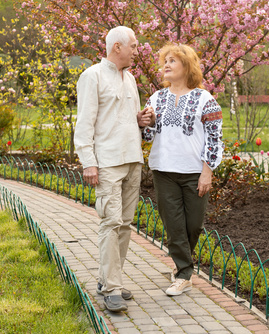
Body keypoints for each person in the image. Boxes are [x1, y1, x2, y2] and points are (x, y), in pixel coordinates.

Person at [74, 26, 154, 312]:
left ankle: (110, 279)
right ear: (116, 47)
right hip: (106, 162)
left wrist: (140, 120)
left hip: (133, 159)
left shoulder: (130, 78)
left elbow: (122, 118)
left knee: (125, 224)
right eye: (133, 45)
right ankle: (111, 289)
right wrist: (88, 162)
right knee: (110, 223)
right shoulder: (91, 76)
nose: (137, 50)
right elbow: (84, 124)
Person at [142, 44, 224, 296]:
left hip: (193, 172)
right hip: (163, 170)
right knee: (174, 225)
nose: (165, 65)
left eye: (172, 61)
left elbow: (215, 138)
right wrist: (146, 122)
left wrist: (207, 171)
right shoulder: (156, 98)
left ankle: (181, 268)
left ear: (187, 66)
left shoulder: (205, 100)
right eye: (164, 60)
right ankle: (184, 274)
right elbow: (148, 136)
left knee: (194, 225)